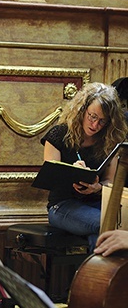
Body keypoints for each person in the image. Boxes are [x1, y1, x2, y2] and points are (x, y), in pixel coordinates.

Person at [41, 82, 127, 252]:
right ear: (82, 110)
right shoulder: (58, 135)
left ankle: (97, 277)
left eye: (102, 121)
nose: (95, 125)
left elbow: (110, 181)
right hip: (62, 205)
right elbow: (50, 178)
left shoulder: (110, 139)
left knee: (105, 231)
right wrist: (73, 172)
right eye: (92, 116)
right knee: (107, 224)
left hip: (96, 204)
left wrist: (97, 187)